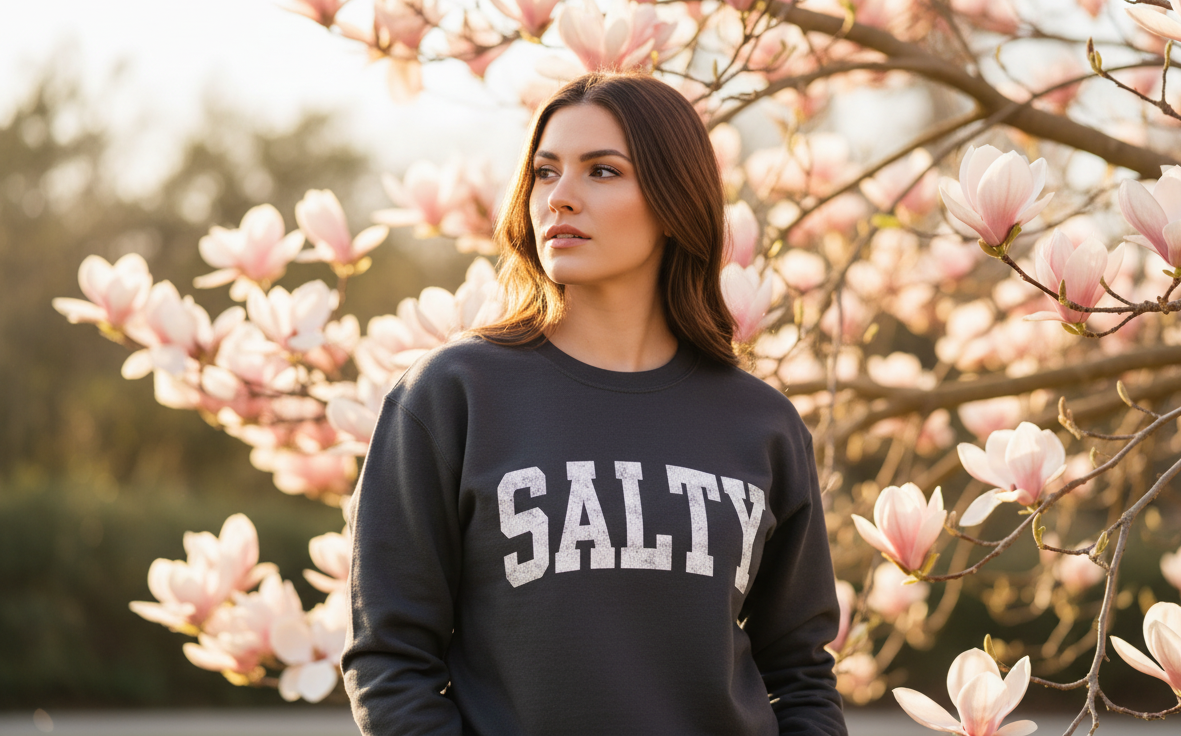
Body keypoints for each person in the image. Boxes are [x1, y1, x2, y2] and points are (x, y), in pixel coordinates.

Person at [342, 71, 848, 736]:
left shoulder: (761, 423)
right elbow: (390, 660)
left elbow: (801, 674)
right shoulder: (451, 396)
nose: (560, 198)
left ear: (675, 200)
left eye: (602, 172)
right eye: (545, 172)